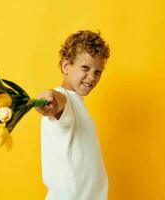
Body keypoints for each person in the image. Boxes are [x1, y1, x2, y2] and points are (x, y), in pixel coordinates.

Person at [35, 30, 110, 200]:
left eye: (98, 72)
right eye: (85, 68)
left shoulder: (78, 104)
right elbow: (59, 101)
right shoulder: (67, 100)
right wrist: (49, 99)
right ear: (66, 66)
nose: (91, 77)